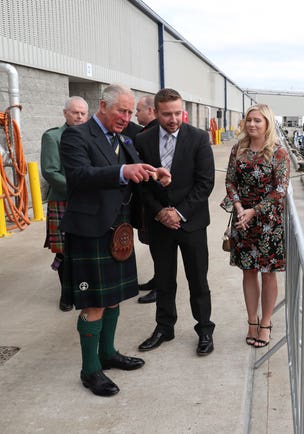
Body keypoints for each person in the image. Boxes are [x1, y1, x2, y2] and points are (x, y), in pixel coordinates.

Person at [59, 83, 171, 397]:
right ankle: (90, 369)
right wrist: (123, 170)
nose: (126, 116)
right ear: (103, 106)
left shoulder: (124, 139)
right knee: (93, 303)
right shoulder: (76, 135)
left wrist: (155, 174)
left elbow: (135, 174)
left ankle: (107, 353)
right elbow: (79, 175)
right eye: (121, 110)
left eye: (129, 111)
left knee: (112, 298)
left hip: (119, 231)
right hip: (90, 231)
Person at [136, 88, 216, 356]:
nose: (174, 119)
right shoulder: (143, 140)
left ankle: (204, 329)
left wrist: (178, 212)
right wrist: (160, 212)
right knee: (164, 280)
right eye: (167, 114)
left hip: (191, 222)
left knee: (198, 280)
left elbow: (205, 183)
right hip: (159, 223)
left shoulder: (199, 138)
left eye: (178, 113)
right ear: (156, 112)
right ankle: (164, 327)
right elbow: (141, 186)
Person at [221, 104, 290, 348]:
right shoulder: (238, 149)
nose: (252, 124)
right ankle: (252, 321)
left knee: (268, 273)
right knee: (248, 271)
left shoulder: (279, 152)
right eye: (249, 120)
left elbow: (280, 189)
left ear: (267, 123)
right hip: (243, 220)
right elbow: (230, 181)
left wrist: (255, 210)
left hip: (268, 222)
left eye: (257, 121)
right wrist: (239, 207)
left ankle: (266, 323)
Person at [40, 96, 88, 312]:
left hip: (87, 200)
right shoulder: (53, 137)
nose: (79, 116)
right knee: (64, 250)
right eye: (75, 112)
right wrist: (78, 188)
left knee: (84, 248)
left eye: (83, 113)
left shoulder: (91, 137)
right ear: (65, 113)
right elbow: (50, 172)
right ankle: (66, 294)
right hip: (64, 199)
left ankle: (83, 290)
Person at [134, 94, 159, 304]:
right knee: (152, 243)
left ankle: (161, 284)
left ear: (151, 111)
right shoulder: (144, 133)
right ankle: (157, 279)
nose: (135, 114)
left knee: (158, 245)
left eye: (138, 109)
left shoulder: (153, 135)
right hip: (145, 200)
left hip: (154, 201)